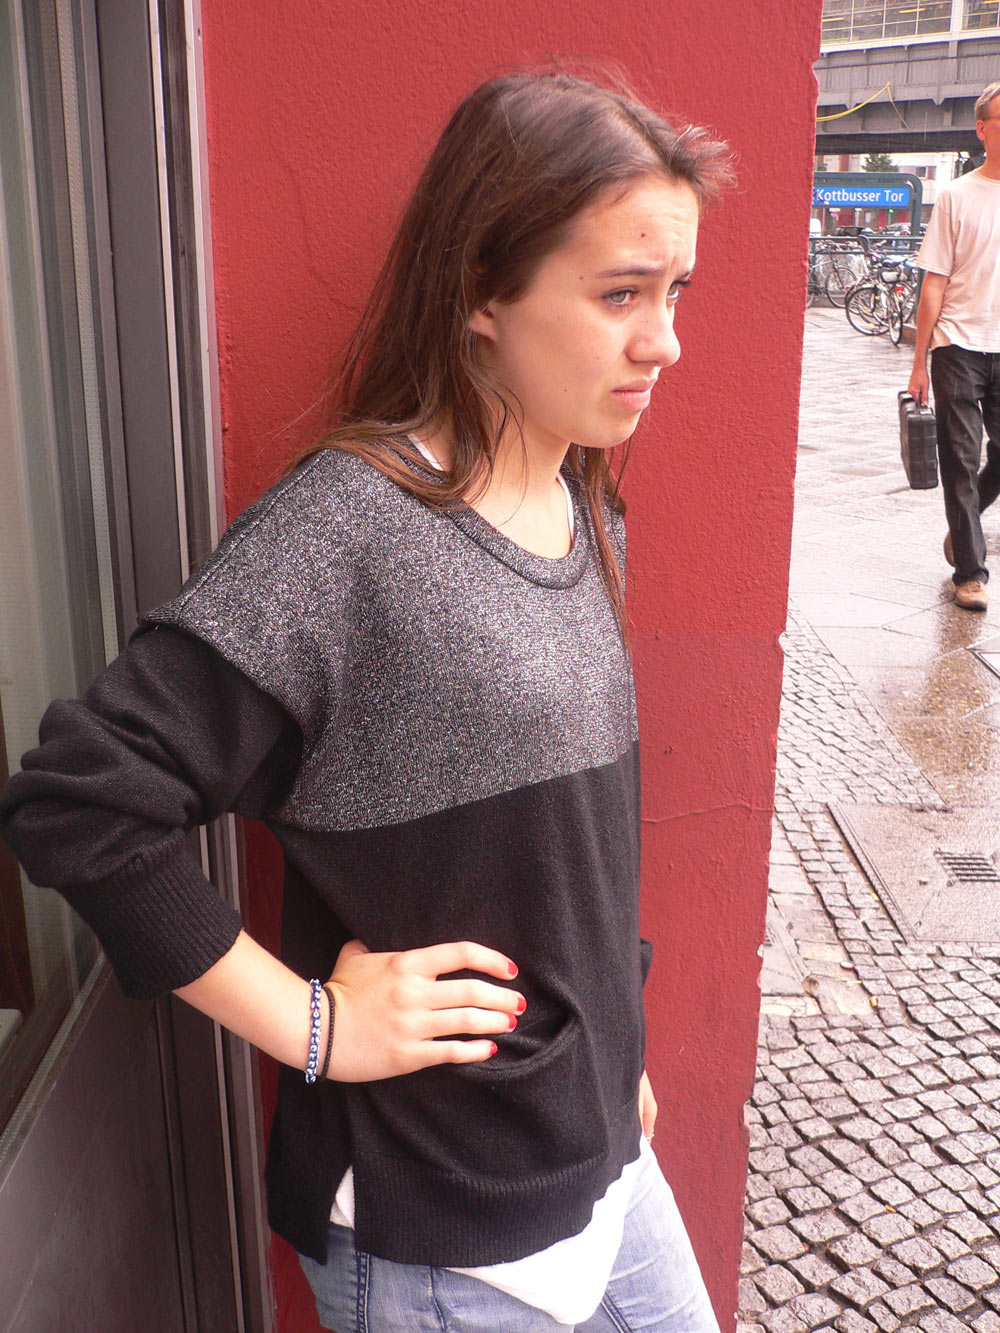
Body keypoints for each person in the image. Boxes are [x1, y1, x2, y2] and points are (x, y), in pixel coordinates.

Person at [0, 71, 733, 1331]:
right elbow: (80, 802)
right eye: (620, 293)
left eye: (675, 292)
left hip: (601, 1151)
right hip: (440, 1226)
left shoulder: (584, 499)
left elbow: (570, 847)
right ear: (481, 294)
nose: (662, 339)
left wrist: (618, 1053)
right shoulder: (349, 535)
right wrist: (314, 1025)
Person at [908, 80, 1000, 613]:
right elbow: (934, 283)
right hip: (957, 345)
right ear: (982, 129)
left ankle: (966, 526)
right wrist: (919, 362)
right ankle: (970, 572)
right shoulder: (955, 197)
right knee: (960, 460)